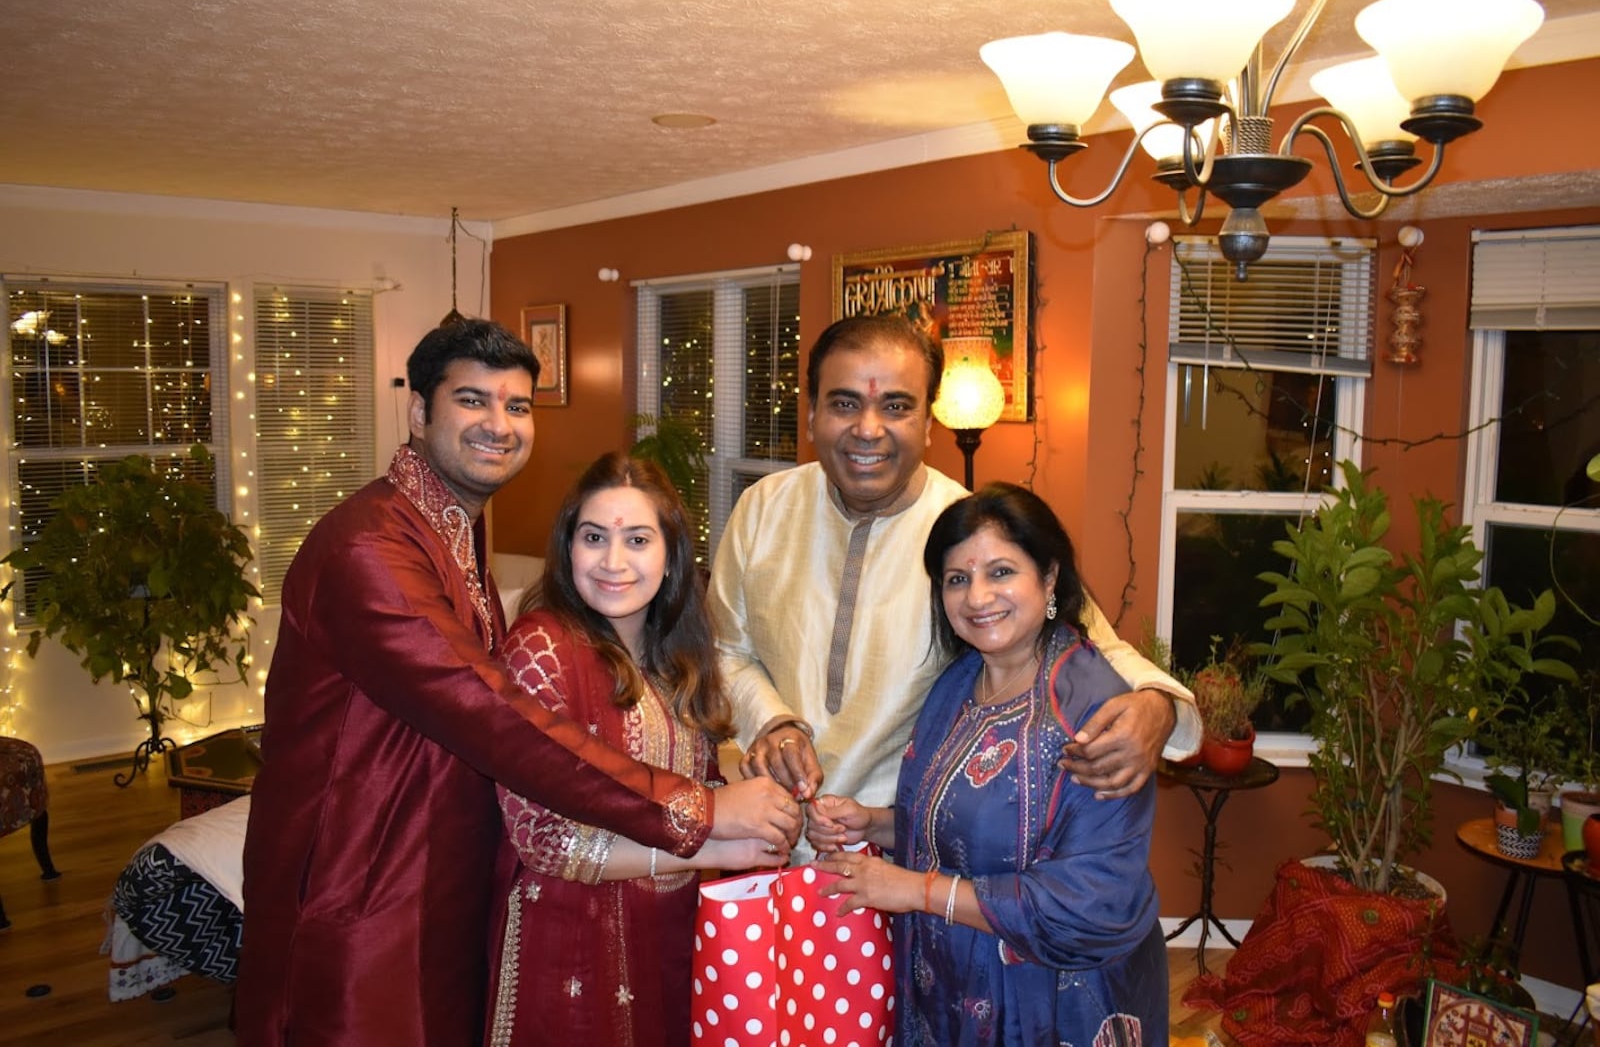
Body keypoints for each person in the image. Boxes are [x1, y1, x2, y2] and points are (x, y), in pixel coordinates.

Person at [237, 320, 799, 1047]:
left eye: (517, 406)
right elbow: (490, 715)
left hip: (446, 874)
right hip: (360, 880)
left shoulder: (447, 530)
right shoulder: (370, 548)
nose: (498, 425)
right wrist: (700, 811)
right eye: (473, 400)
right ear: (419, 413)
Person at [710, 313, 1198, 846]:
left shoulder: (969, 540)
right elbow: (725, 649)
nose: (868, 428)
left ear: (927, 424)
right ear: (810, 416)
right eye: (844, 403)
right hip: (765, 842)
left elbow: (1088, 639)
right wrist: (772, 721)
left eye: (896, 406)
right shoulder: (762, 509)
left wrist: (1159, 705)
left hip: (899, 853)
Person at [808, 483, 1167, 1045]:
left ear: (1049, 578)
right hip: (950, 984)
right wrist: (874, 823)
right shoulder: (956, 685)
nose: (977, 597)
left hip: (1052, 1002)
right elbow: (966, 827)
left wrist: (913, 890)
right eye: (957, 579)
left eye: (1001, 572)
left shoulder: (1092, 712)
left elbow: (1090, 902)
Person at [484, 453, 785, 1046]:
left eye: (638, 539)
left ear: (670, 554)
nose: (613, 562)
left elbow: (685, 782)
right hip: (569, 944)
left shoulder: (676, 656)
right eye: (594, 537)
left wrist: (753, 794)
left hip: (670, 935)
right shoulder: (542, 649)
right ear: (568, 547)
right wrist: (710, 840)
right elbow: (544, 839)